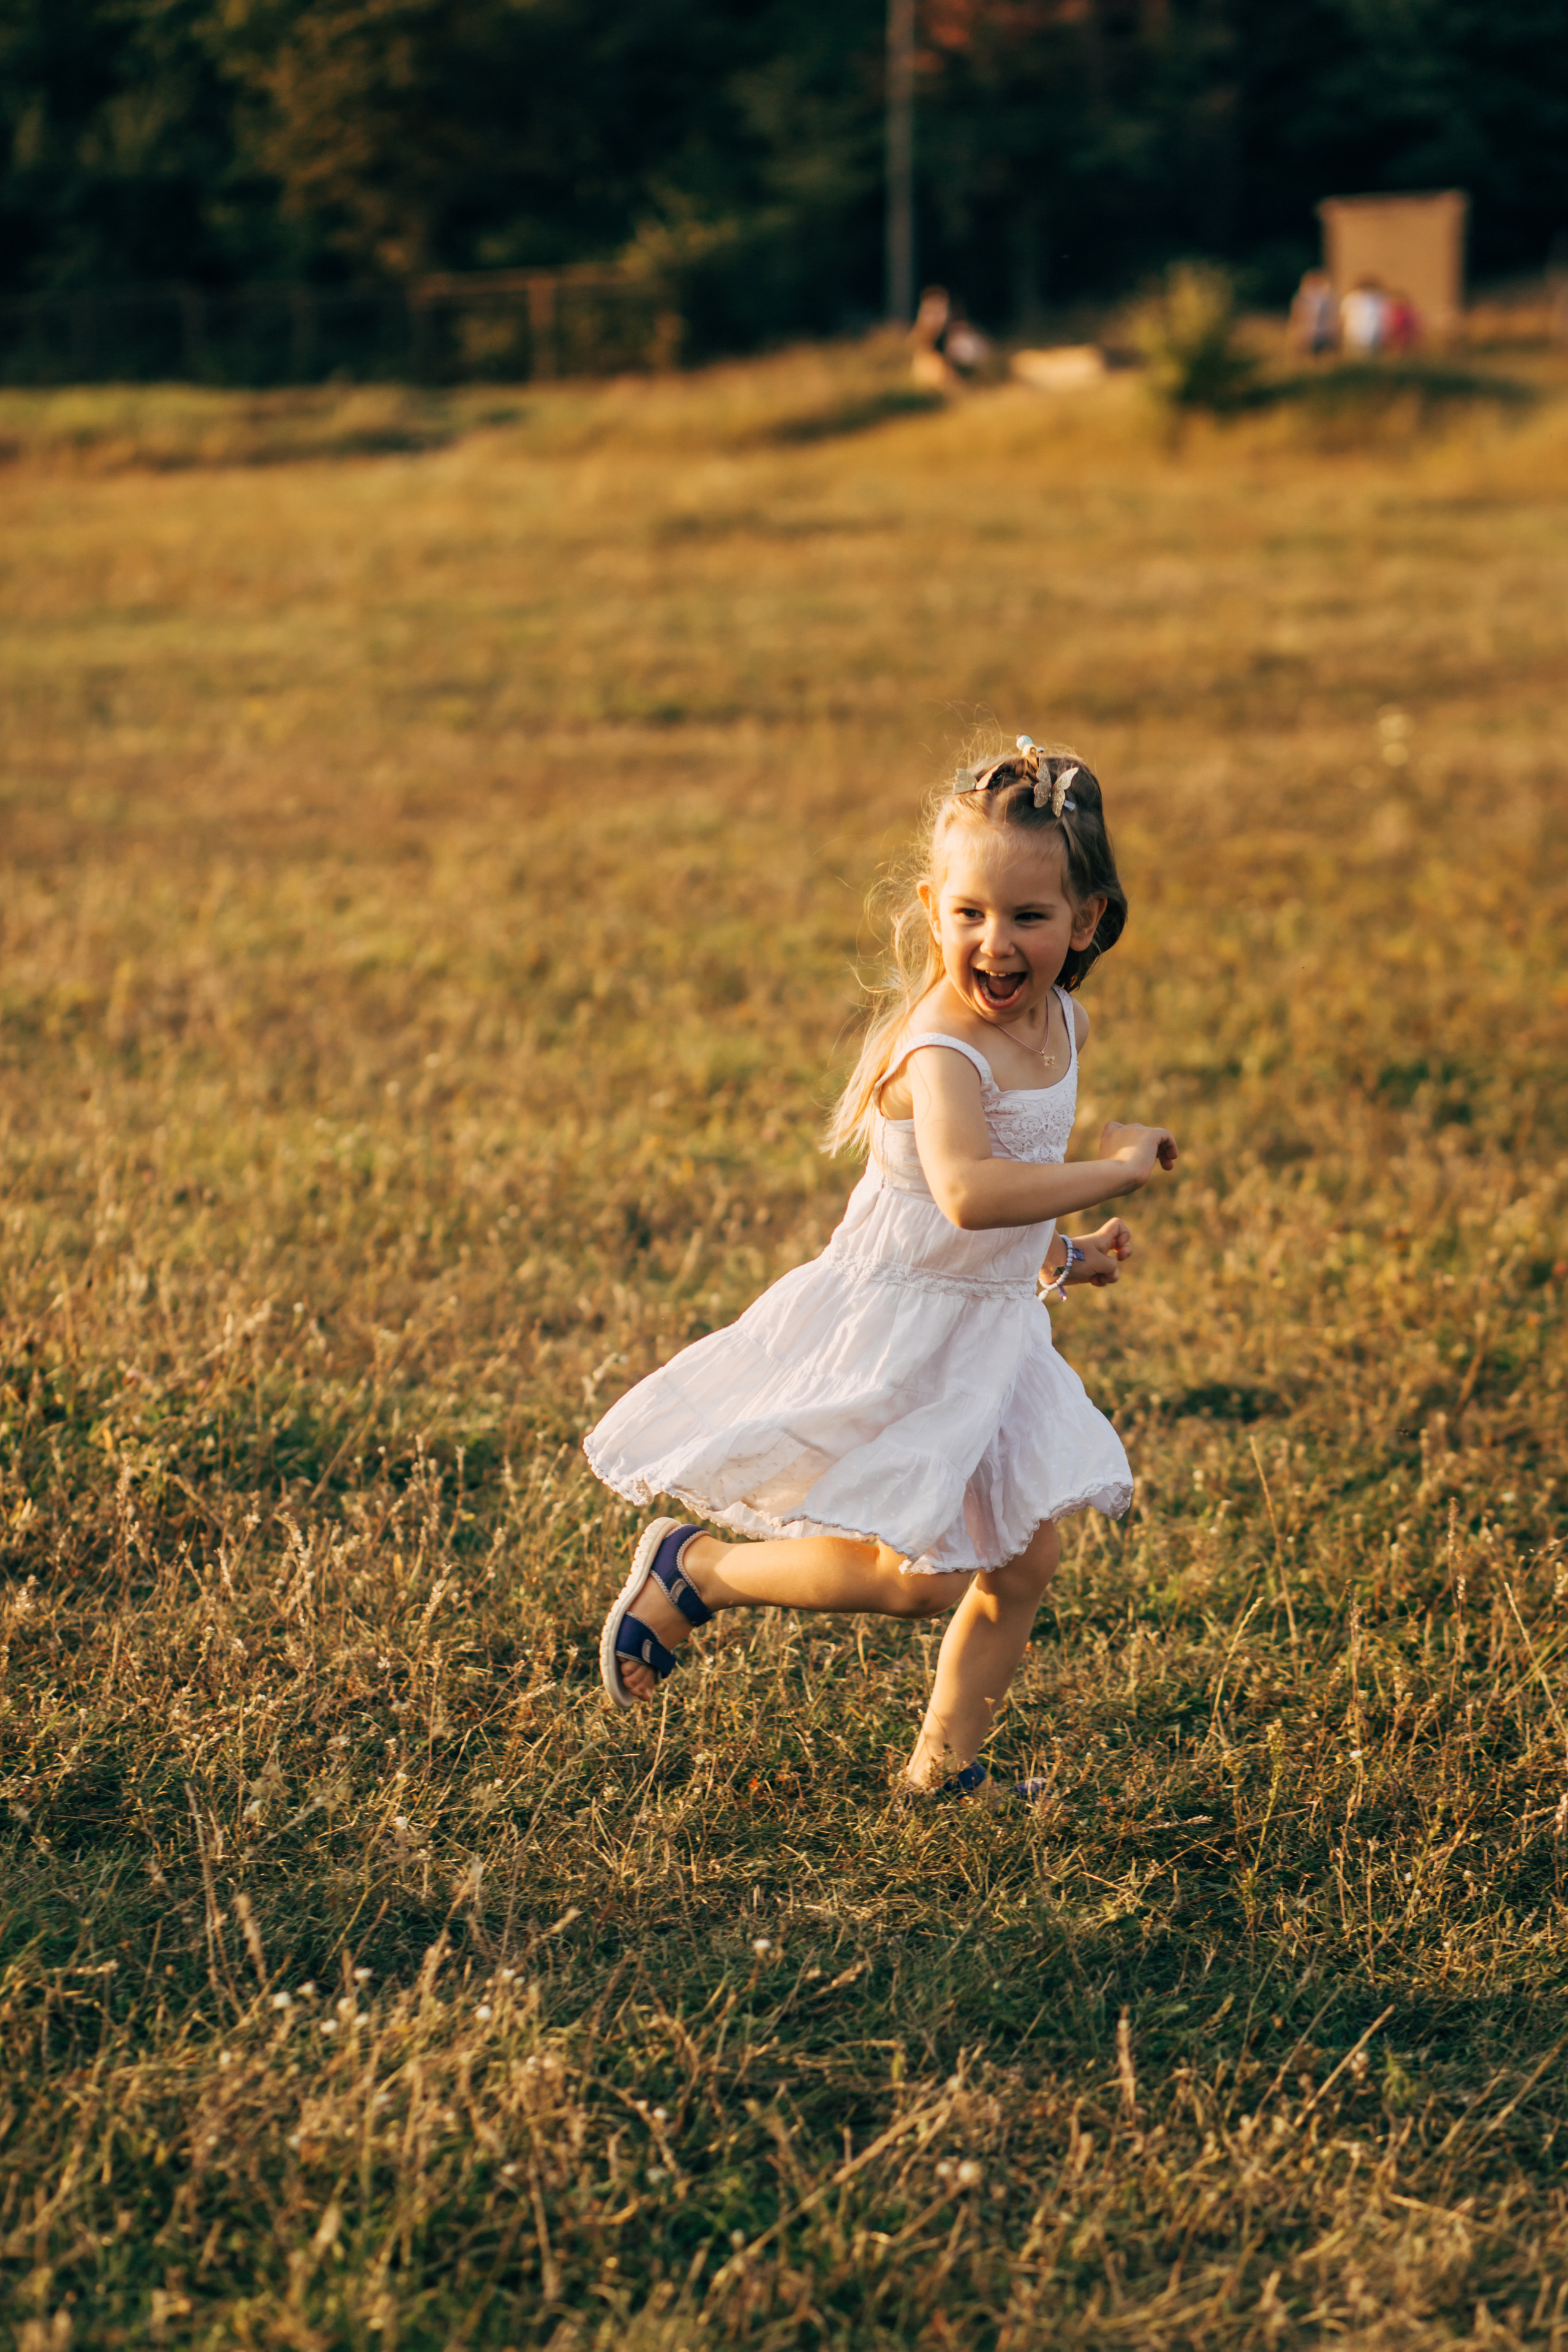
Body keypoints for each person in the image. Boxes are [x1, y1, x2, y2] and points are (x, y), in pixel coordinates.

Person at [585, 736, 1178, 1800]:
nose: (996, 944)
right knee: (923, 1579)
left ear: (1086, 922)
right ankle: (698, 1571)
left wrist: (1059, 1256)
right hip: (905, 1324)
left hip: (989, 1326)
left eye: (1030, 919)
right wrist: (1116, 1171)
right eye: (970, 914)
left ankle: (945, 1771)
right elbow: (965, 1191)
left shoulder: (1061, 1021)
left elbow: (1011, 1191)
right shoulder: (943, 1044)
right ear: (932, 903)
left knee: (1025, 1562)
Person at [1290, 269, 1338, 356]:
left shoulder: (1326, 297)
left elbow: (1333, 316)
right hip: (1308, 333)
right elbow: (1297, 315)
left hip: (1321, 333)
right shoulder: (1303, 296)